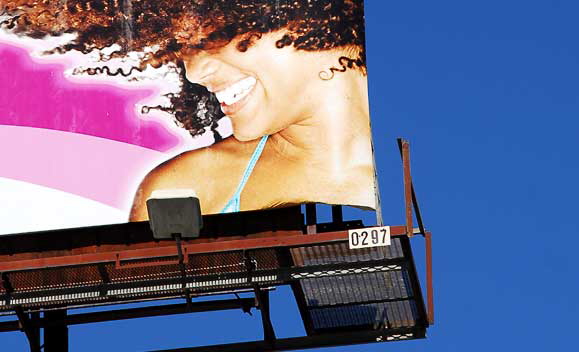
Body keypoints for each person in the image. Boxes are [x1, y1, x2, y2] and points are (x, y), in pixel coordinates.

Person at [1, 0, 377, 217]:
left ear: (315, 17)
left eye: (220, 37)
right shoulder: (184, 190)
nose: (194, 71)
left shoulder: (420, 176)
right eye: (185, 49)